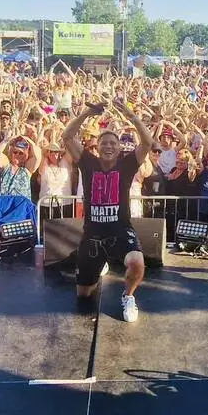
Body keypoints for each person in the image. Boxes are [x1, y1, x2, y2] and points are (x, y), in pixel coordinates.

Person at [63, 99, 153, 322]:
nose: (109, 146)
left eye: (113, 143)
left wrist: (132, 116)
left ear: (119, 148)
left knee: (136, 262)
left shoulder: (127, 164)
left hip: (120, 230)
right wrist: (87, 113)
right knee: (84, 294)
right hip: (92, 234)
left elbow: (147, 143)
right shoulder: (87, 162)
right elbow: (67, 137)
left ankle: (128, 296)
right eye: (104, 143)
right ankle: (100, 263)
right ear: (97, 147)